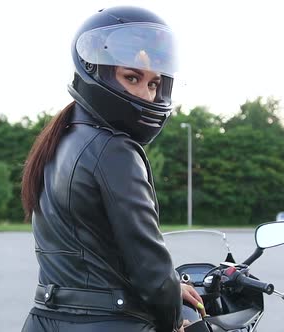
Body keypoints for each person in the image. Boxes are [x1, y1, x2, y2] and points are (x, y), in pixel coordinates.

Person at [20, 6, 204, 332]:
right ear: (98, 71)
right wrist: (174, 318)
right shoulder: (114, 149)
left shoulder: (59, 139)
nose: (145, 94)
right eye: (131, 77)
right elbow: (149, 263)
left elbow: (88, 256)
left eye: (153, 84)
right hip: (108, 323)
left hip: (45, 319)